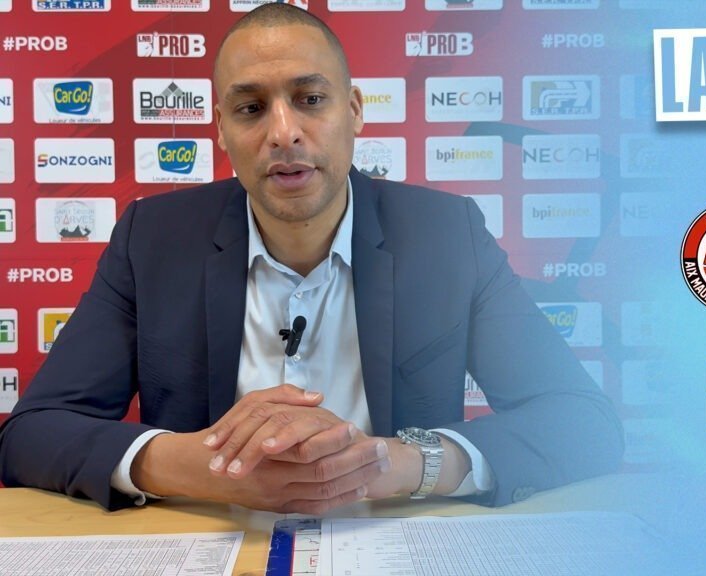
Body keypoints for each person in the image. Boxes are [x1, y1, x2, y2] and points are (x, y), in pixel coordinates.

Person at [0, 4, 623, 514]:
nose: (283, 133)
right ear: (220, 128)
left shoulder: (446, 235)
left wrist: (402, 464)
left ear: (353, 111)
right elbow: (31, 432)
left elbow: (583, 421)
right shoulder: (152, 239)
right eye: (250, 108)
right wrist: (200, 466)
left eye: (310, 99)